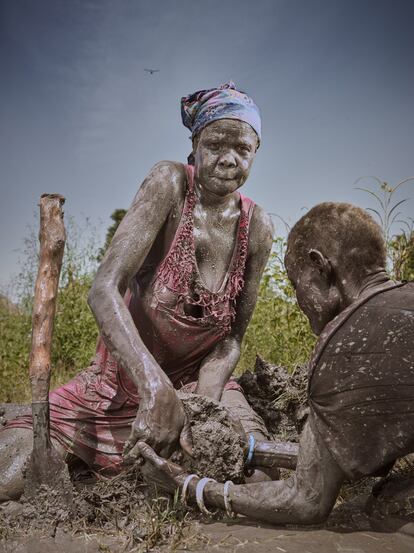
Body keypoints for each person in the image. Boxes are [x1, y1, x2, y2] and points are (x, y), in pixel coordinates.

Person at [0, 82, 273, 501]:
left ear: (255, 152)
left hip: (198, 386)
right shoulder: (169, 183)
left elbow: (231, 339)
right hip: (112, 390)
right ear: (195, 146)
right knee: (15, 474)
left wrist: (204, 407)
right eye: (216, 144)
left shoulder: (257, 228)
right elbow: (103, 290)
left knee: (255, 478)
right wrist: (154, 387)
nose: (229, 159)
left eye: (243, 149)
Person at [135, 202, 414, 525]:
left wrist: (193, 486)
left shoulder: (345, 350)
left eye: (296, 285)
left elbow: (305, 500)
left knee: (386, 506)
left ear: (319, 267)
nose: (298, 302)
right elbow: (347, 460)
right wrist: (251, 450)